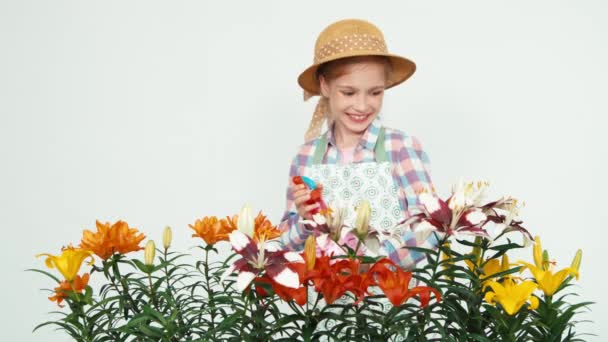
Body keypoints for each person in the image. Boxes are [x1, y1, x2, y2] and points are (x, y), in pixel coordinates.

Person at [279, 19, 437, 270]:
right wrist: (303, 219)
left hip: (392, 300)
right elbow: (284, 247)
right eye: (349, 93)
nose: (363, 106)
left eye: (375, 93)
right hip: (327, 303)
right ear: (324, 85)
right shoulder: (306, 157)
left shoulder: (401, 148)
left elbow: (430, 229)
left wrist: (369, 265)